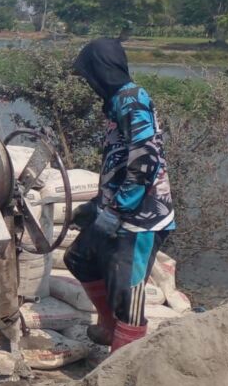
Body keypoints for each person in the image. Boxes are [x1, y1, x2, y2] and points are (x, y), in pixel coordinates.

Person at [65, 37, 176, 352]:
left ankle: (124, 361)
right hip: (117, 209)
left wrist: (117, 211)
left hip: (142, 217)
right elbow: (119, 161)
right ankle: (109, 327)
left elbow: (145, 162)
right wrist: (97, 206)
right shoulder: (117, 103)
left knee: (128, 292)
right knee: (80, 257)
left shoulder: (133, 101)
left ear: (101, 71)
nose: (88, 83)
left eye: (89, 75)